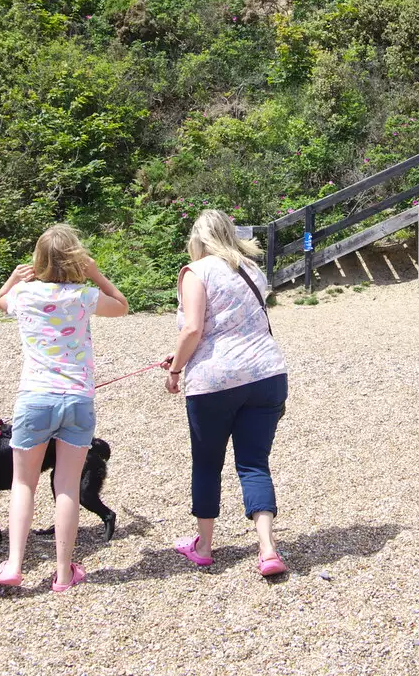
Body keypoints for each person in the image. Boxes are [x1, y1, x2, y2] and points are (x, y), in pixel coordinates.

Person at [0, 224, 129, 593]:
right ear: (75, 258)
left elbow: (0, 301)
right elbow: (122, 306)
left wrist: (11, 280)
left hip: (35, 397)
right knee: (66, 486)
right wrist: (95, 272)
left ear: (38, 259)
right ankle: (64, 572)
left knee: (23, 483)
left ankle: (15, 564)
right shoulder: (83, 296)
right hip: (78, 397)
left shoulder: (25, 295)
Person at [161, 210, 289, 577]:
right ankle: (267, 549)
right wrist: (185, 353)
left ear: (198, 238)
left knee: (207, 462)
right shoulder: (252, 269)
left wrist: (175, 369)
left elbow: (193, 329)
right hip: (266, 372)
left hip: (216, 380)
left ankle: (203, 546)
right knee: (253, 463)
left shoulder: (195, 271)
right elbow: (233, 323)